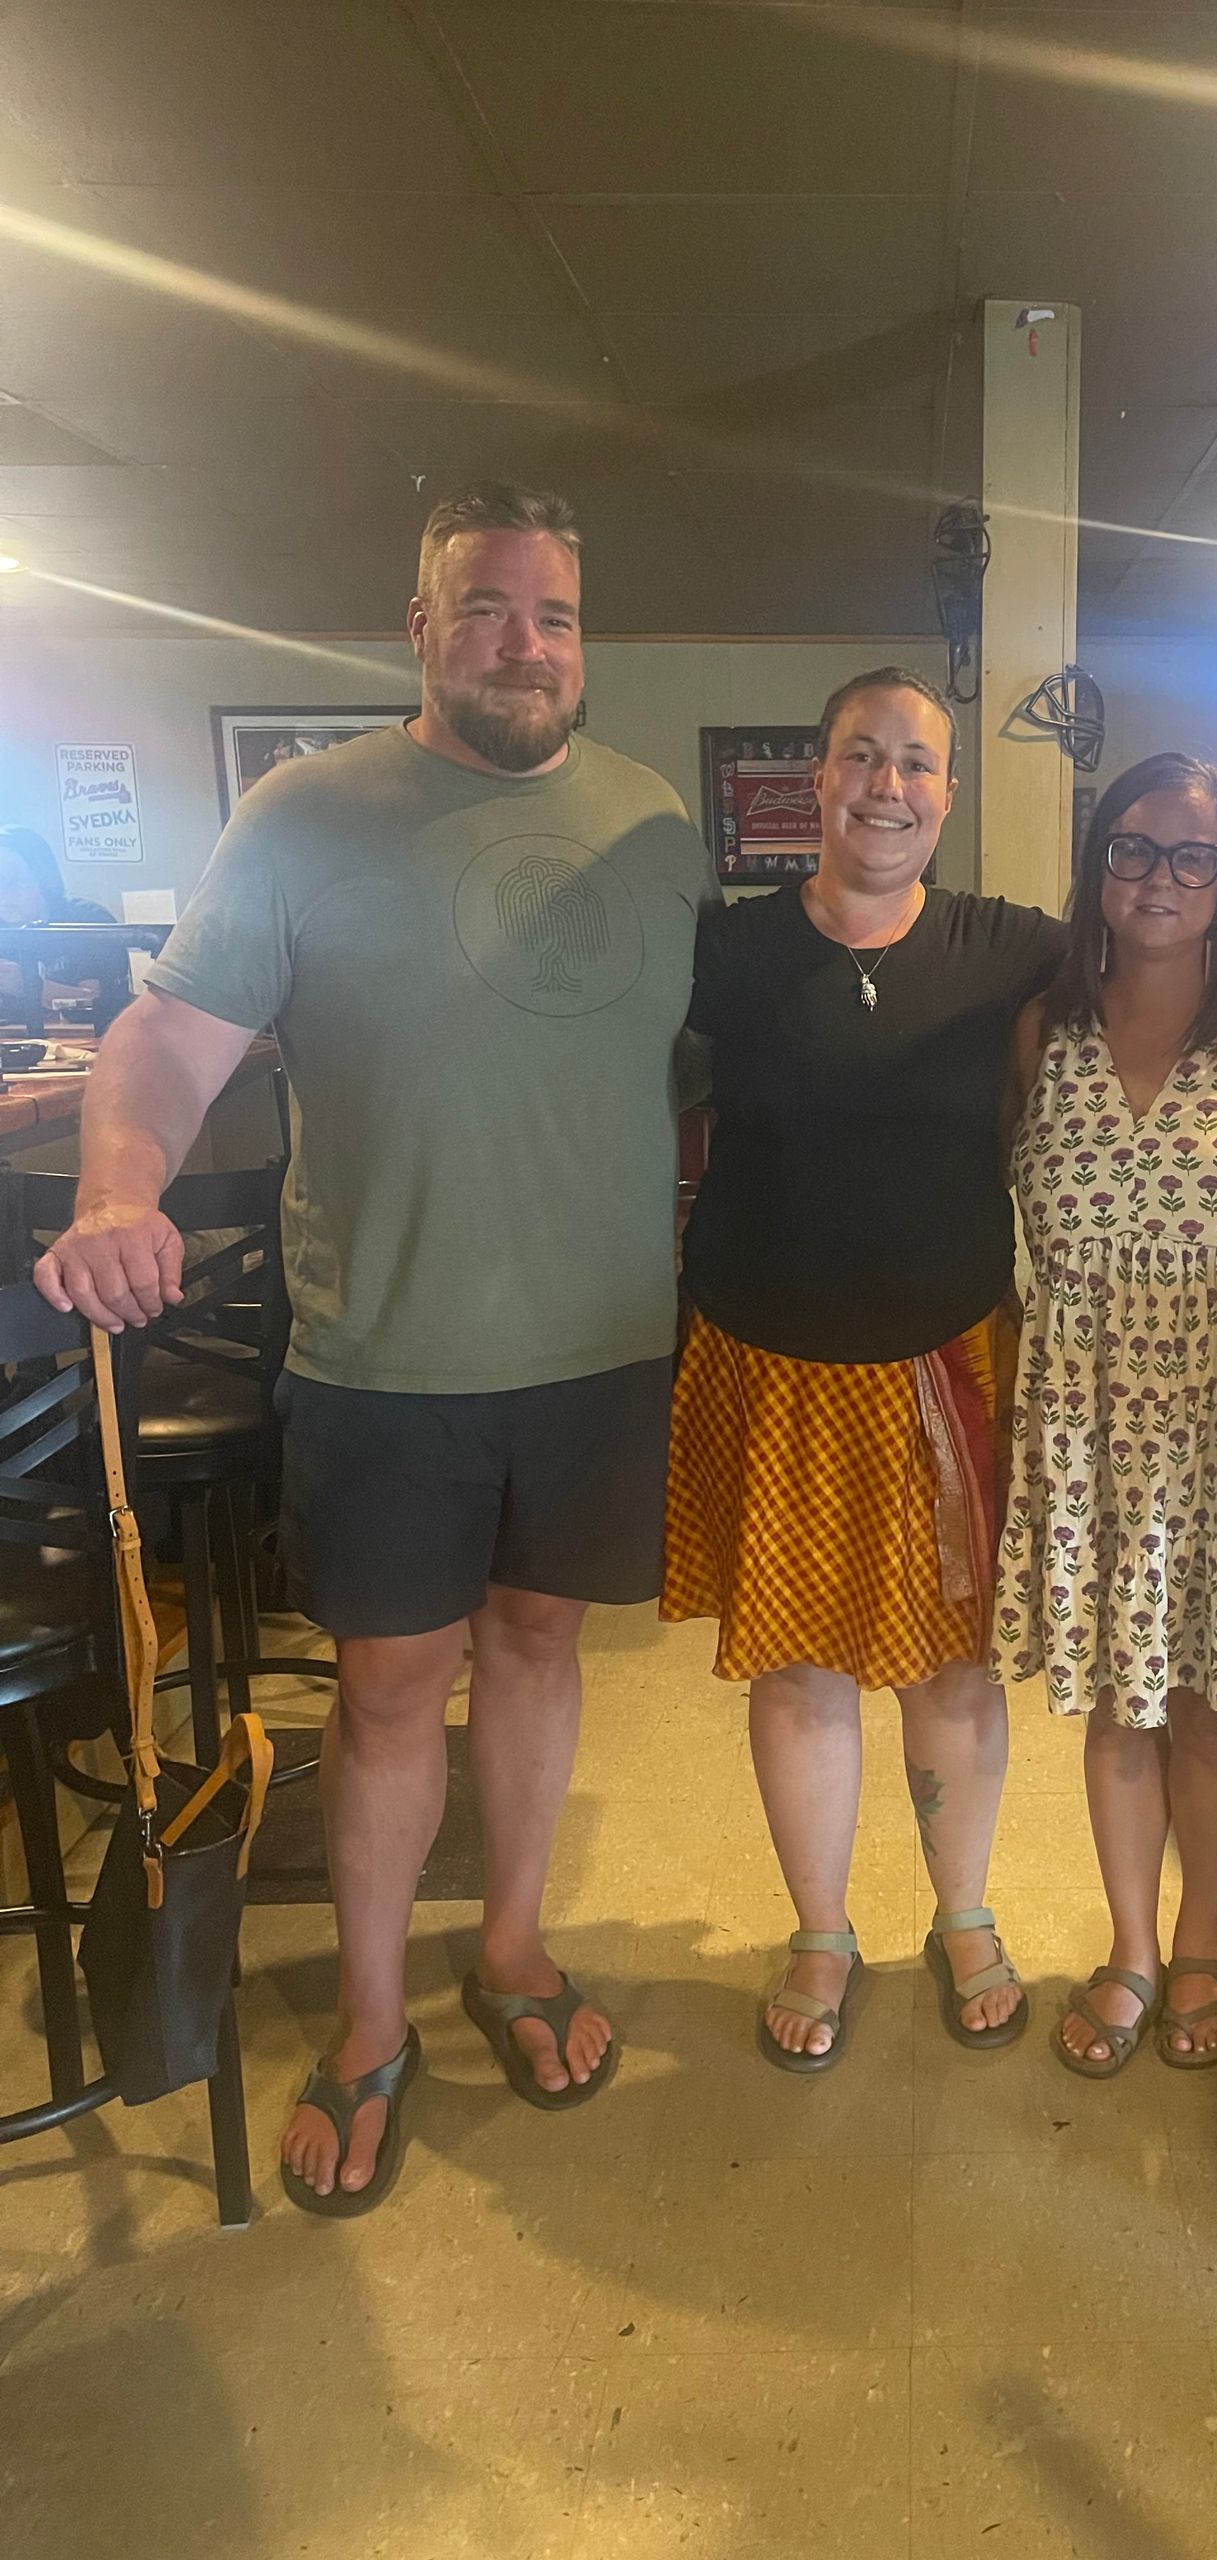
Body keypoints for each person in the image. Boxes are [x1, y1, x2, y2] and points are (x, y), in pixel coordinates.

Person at [34, 480, 715, 2214]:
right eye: (486, 607)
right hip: (391, 1356)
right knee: (392, 1690)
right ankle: (367, 2018)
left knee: (541, 1649)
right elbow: (167, 1038)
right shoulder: (301, 816)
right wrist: (115, 1188)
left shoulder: (652, 821)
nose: (524, 643)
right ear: (420, 630)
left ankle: (513, 1947)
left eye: (554, 615)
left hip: (600, 1348)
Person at [662, 667, 1065, 2070]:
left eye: (916, 763)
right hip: (765, 1361)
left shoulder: (1006, 945)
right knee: (799, 1667)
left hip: (944, 1362)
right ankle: (821, 1932)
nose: (888, 785)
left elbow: (1176, 963)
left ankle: (964, 1913)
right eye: (861, 756)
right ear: (818, 779)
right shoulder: (726, 950)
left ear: (948, 795)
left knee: (951, 1668)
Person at [993, 755, 1217, 2076]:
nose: (1160, 878)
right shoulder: (1041, 1031)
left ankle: (1200, 1944)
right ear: (1098, 867)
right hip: (1082, 1418)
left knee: (1213, 1706)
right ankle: (1131, 1946)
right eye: (1132, 849)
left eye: (1194, 856)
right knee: (1119, 1708)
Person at [0, 823, 116, 1016]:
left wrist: (29, 986)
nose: (4, 893)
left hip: (85, 1036)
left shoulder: (86, 921)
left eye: (18, 881)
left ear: (44, 880)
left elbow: (99, 1003)